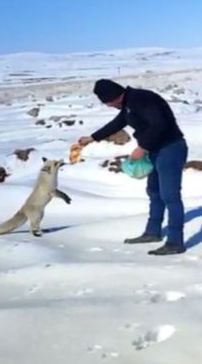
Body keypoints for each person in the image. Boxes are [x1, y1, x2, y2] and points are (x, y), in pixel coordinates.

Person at [78, 79, 188, 255]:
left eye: (107, 103)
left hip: (170, 148)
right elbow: (117, 123)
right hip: (155, 150)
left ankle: (175, 242)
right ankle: (152, 232)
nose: (108, 106)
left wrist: (142, 147)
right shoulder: (128, 104)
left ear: (114, 97)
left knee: (170, 196)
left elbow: (159, 124)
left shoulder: (142, 99)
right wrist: (92, 138)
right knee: (155, 192)